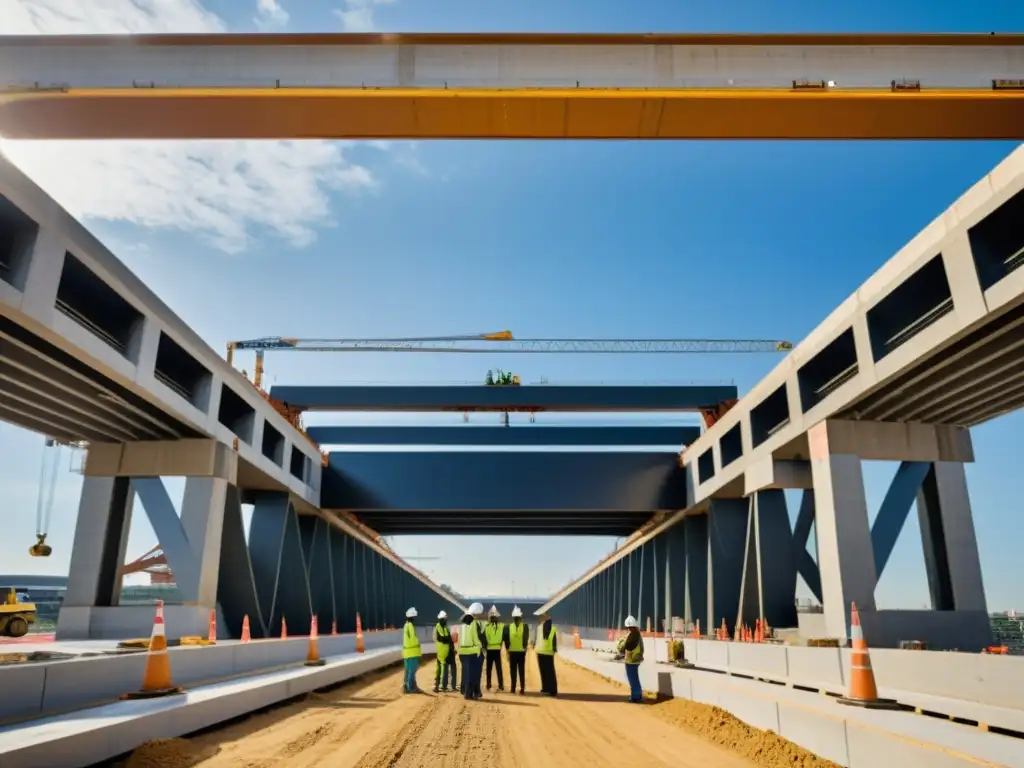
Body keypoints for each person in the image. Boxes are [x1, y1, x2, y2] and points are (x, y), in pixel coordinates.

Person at [618, 615, 645, 703]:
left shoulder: (632, 635)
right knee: (635, 679)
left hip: (631, 660)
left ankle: (636, 697)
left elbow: (624, 647)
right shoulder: (637, 634)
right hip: (636, 660)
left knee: (633, 679)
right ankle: (638, 695)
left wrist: (622, 642)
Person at [457, 607, 483, 700]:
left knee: (466, 673)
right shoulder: (473, 624)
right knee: (473, 674)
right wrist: (479, 646)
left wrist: (459, 651)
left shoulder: (462, 625)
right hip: (472, 652)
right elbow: (475, 638)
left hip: (462, 652)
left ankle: (465, 692)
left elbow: (459, 640)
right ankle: (471, 693)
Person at [503, 605, 529, 695]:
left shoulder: (508, 627)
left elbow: (506, 640)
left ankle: (513, 688)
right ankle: (521, 689)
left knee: (513, 671)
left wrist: (507, 650)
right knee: (521, 671)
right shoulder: (525, 626)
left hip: (513, 652)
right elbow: (526, 639)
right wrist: (525, 648)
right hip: (520, 652)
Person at [535, 611, 558, 696]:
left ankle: (552, 690)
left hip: (547, 650)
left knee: (549, 671)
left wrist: (554, 649)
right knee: (544, 671)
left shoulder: (550, 625)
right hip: (541, 650)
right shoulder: (540, 625)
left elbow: (553, 638)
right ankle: (546, 688)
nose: (540, 617)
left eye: (542, 615)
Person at [434, 610, 457, 693]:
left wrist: (453, 648)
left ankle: (452, 686)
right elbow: (443, 639)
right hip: (442, 652)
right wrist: (450, 639)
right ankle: (442, 686)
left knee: (453, 668)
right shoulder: (438, 627)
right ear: (441, 619)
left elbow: (449, 640)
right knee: (442, 669)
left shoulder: (445, 627)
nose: (445, 621)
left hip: (448, 650)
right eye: (444, 619)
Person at [484, 605, 505, 692]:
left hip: (489, 649)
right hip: (497, 649)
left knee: (489, 669)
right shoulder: (501, 626)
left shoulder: (487, 627)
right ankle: (501, 685)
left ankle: (488, 685)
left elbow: (485, 638)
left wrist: (485, 647)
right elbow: (503, 636)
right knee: (498, 668)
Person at [402, 607, 423, 694]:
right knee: (412, 671)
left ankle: (407, 686)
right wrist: (418, 642)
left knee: (408, 670)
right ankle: (411, 687)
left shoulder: (406, 625)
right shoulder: (410, 626)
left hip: (407, 652)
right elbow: (413, 638)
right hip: (412, 652)